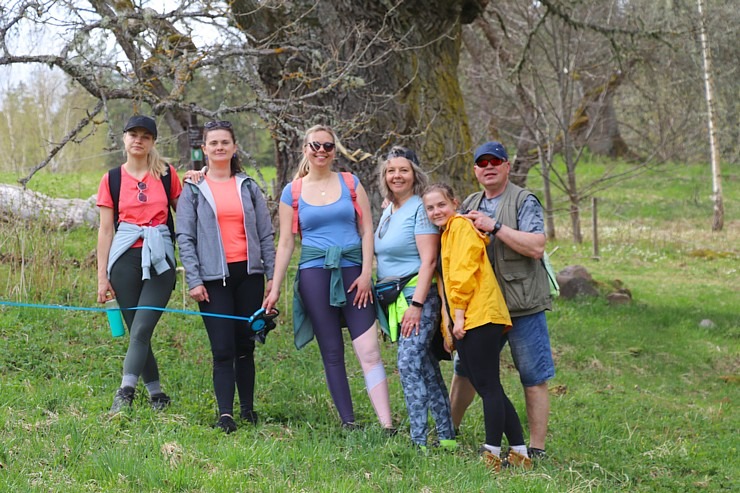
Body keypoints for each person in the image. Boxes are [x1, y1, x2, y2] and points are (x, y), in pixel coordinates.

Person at [263, 124, 393, 431]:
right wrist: (275, 288)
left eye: (328, 146)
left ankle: (387, 425)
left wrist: (366, 273)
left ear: (335, 151)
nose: (321, 151)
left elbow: (366, 229)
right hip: (314, 275)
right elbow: (285, 243)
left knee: (370, 350)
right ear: (305, 149)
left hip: (353, 273)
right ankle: (349, 422)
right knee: (332, 351)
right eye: (315, 145)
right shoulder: (292, 191)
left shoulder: (350, 182)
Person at [452, 140, 556, 459]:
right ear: (475, 171)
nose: (488, 168)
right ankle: (448, 431)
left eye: (495, 162)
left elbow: (537, 245)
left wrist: (495, 226)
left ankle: (535, 448)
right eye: (482, 163)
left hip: (522, 305)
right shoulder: (469, 202)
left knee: (532, 375)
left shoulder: (524, 200)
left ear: (507, 166)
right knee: (465, 371)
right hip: (483, 311)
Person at [422, 182, 530, 471]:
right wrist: (449, 327)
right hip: (471, 316)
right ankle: (520, 452)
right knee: (487, 385)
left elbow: (464, 273)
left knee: (489, 386)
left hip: (479, 315)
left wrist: (458, 318)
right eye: (430, 207)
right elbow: (447, 282)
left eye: (441, 204)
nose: (436, 211)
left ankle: (492, 452)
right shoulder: (447, 233)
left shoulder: (458, 227)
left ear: (454, 202)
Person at [176, 120, 276, 434]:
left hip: (249, 275)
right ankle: (225, 415)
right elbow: (184, 236)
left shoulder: (248, 187)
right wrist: (194, 279)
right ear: (204, 149)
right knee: (222, 348)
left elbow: (266, 234)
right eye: (213, 143)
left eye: (225, 142)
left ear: (233, 148)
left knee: (246, 345)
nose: (219, 147)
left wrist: (272, 276)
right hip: (211, 280)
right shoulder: (193, 189)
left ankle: (247, 409)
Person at [96, 115, 182, 413]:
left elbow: (184, 217)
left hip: (160, 260)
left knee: (143, 327)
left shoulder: (167, 175)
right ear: (124, 138)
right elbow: (106, 230)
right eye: (133, 134)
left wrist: (199, 180)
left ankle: (125, 393)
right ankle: (157, 394)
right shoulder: (112, 179)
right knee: (137, 331)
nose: (138, 140)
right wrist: (101, 277)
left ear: (153, 142)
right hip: (124, 261)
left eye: (145, 136)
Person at [374, 146, 455, 450]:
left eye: (403, 170)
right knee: (425, 367)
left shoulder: (421, 209)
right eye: (391, 170)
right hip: (394, 302)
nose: (397, 175)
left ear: (415, 174)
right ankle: (447, 438)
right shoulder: (388, 209)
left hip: (418, 299)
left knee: (408, 364)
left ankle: (418, 440)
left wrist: (417, 306)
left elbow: (429, 262)